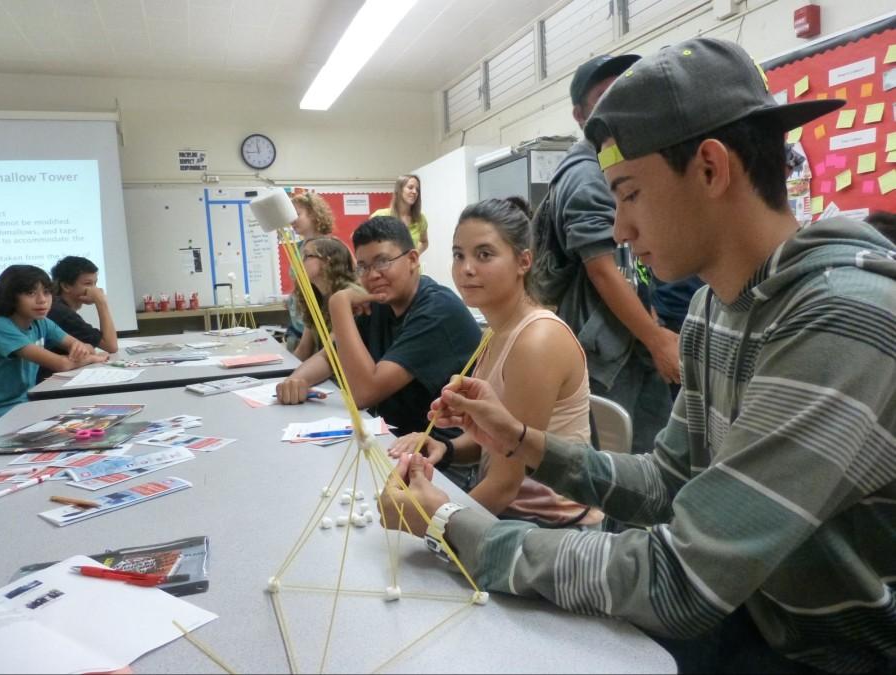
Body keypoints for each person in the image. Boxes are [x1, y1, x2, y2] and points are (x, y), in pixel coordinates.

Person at [378, 38, 896, 674]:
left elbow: (681, 583)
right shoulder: (716, 307)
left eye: (628, 194)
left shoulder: (843, 318)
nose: (619, 229)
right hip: (760, 617)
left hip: (842, 655)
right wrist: (519, 440)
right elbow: (667, 485)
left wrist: (453, 523)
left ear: (709, 169)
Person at [388, 199, 600, 527]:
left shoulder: (536, 341)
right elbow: (498, 439)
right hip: (510, 512)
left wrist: (433, 523)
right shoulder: (495, 333)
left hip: (550, 527)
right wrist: (446, 448)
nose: (466, 268)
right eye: (459, 255)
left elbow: (505, 484)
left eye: (484, 255)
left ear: (523, 262)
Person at [534, 52, 678, 454]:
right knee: (619, 465)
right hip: (609, 356)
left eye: (626, 89)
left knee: (653, 456)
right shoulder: (585, 175)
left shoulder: (613, 165)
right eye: (605, 94)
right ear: (580, 115)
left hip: (629, 343)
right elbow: (602, 270)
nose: (620, 100)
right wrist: (656, 339)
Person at [275, 216, 480, 455]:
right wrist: (297, 380)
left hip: (439, 456)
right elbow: (328, 357)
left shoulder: (437, 309)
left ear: (412, 260)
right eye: (363, 266)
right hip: (391, 441)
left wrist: (339, 304)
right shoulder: (379, 302)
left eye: (382, 261)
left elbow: (364, 393)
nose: (372, 275)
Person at [0, 265, 108, 418]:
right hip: (2, 411)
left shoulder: (41, 322)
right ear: (10, 296)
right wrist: (91, 358)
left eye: (46, 292)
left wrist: (84, 349)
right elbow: (61, 364)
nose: (42, 300)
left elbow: (83, 347)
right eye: (30, 293)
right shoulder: (0, 325)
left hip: (26, 403)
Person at [39, 256, 118, 382]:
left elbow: (90, 348)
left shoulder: (59, 306)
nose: (95, 290)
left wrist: (89, 349)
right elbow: (111, 346)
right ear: (66, 286)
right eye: (88, 284)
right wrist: (101, 302)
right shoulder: (61, 312)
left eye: (95, 283)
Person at [292, 236, 362, 361]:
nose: (300, 263)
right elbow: (304, 349)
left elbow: (328, 354)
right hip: (326, 374)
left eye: (307, 256)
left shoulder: (348, 296)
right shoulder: (315, 295)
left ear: (328, 261)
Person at [285, 191, 335, 353]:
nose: (292, 220)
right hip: (298, 325)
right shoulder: (299, 248)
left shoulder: (330, 246)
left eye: (297, 214)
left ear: (313, 214)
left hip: (320, 328)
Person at [371, 175, 429, 254]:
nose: (415, 192)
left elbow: (424, 242)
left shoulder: (420, 219)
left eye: (417, 189)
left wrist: (415, 254)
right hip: (389, 266)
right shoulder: (380, 216)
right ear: (399, 190)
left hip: (412, 266)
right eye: (410, 187)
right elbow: (365, 241)